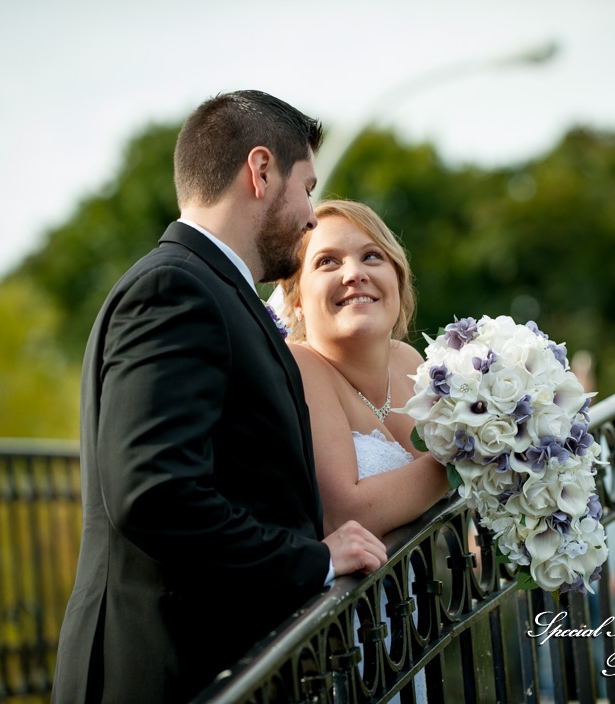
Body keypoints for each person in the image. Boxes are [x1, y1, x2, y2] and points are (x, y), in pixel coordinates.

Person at [51, 92, 387, 704]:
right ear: (260, 172)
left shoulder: (209, 287)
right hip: (167, 673)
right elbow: (155, 494)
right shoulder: (175, 288)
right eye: (306, 187)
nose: (312, 214)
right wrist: (309, 560)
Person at [278, 200, 450, 539]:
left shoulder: (409, 361)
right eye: (327, 262)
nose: (355, 273)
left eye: (372, 256)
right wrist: (477, 451)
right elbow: (346, 516)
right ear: (297, 300)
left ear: (397, 279)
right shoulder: (297, 366)